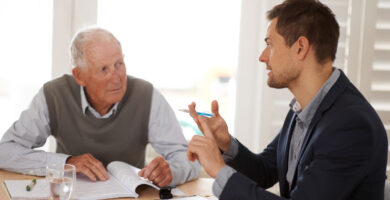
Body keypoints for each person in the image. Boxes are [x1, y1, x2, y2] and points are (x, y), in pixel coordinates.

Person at [186, 0, 388, 199]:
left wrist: (218, 169)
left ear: (300, 47)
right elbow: (266, 170)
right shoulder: (303, 107)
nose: (263, 57)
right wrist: (226, 143)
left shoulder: (351, 125)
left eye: (270, 44)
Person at [0, 28, 200, 187]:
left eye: (119, 64)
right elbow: (5, 151)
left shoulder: (146, 95)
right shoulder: (54, 94)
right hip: (71, 194)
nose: (117, 77)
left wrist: (172, 172)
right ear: (79, 76)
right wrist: (67, 163)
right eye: (103, 69)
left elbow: (187, 158)